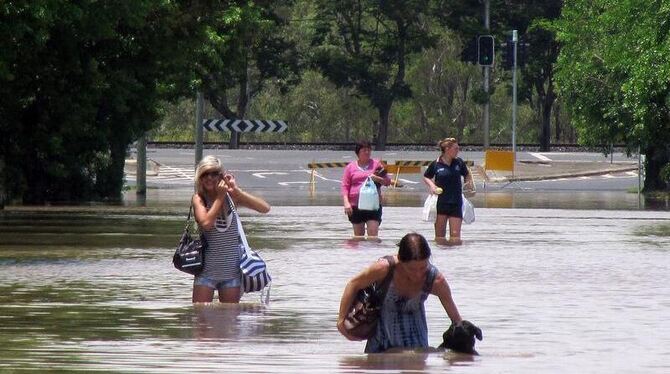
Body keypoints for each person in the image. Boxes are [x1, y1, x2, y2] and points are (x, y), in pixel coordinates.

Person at [337, 233, 464, 353]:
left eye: (423, 268)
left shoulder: (435, 280)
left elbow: (456, 320)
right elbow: (353, 284)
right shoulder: (384, 269)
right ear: (400, 259)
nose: (418, 274)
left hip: (416, 343)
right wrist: (341, 320)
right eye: (412, 269)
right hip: (381, 337)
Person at [191, 155, 270, 303]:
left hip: (231, 273)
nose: (209, 178)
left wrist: (237, 192)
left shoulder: (231, 197)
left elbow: (265, 208)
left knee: (230, 320)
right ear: (199, 178)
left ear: (221, 176)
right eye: (205, 174)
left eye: (214, 174)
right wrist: (220, 197)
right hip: (205, 273)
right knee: (199, 319)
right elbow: (206, 223)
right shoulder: (199, 199)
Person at [422, 138, 475, 245]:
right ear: (447, 149)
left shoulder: (459, 162)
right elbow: (426, 176)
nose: (458, 151)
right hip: (441, 203)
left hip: (456, 202)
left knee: (456, 239)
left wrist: (468, 184)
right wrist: (432, 186)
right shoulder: (436, 164)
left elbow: (467, 174)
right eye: (456, 148)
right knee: (440, 238)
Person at [341, 140, 392, 238]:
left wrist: (377, 179)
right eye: (364, 150)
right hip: (355, 206)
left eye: (369, 150)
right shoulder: (350, 167)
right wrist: (346, 203)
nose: (367, 152)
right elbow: (345, 186)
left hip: (373, 205)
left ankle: (373, 253)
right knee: (358, 237)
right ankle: (359, 254)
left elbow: (388, 182)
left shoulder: (377, 164)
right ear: (358, 152)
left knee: (373, 235)